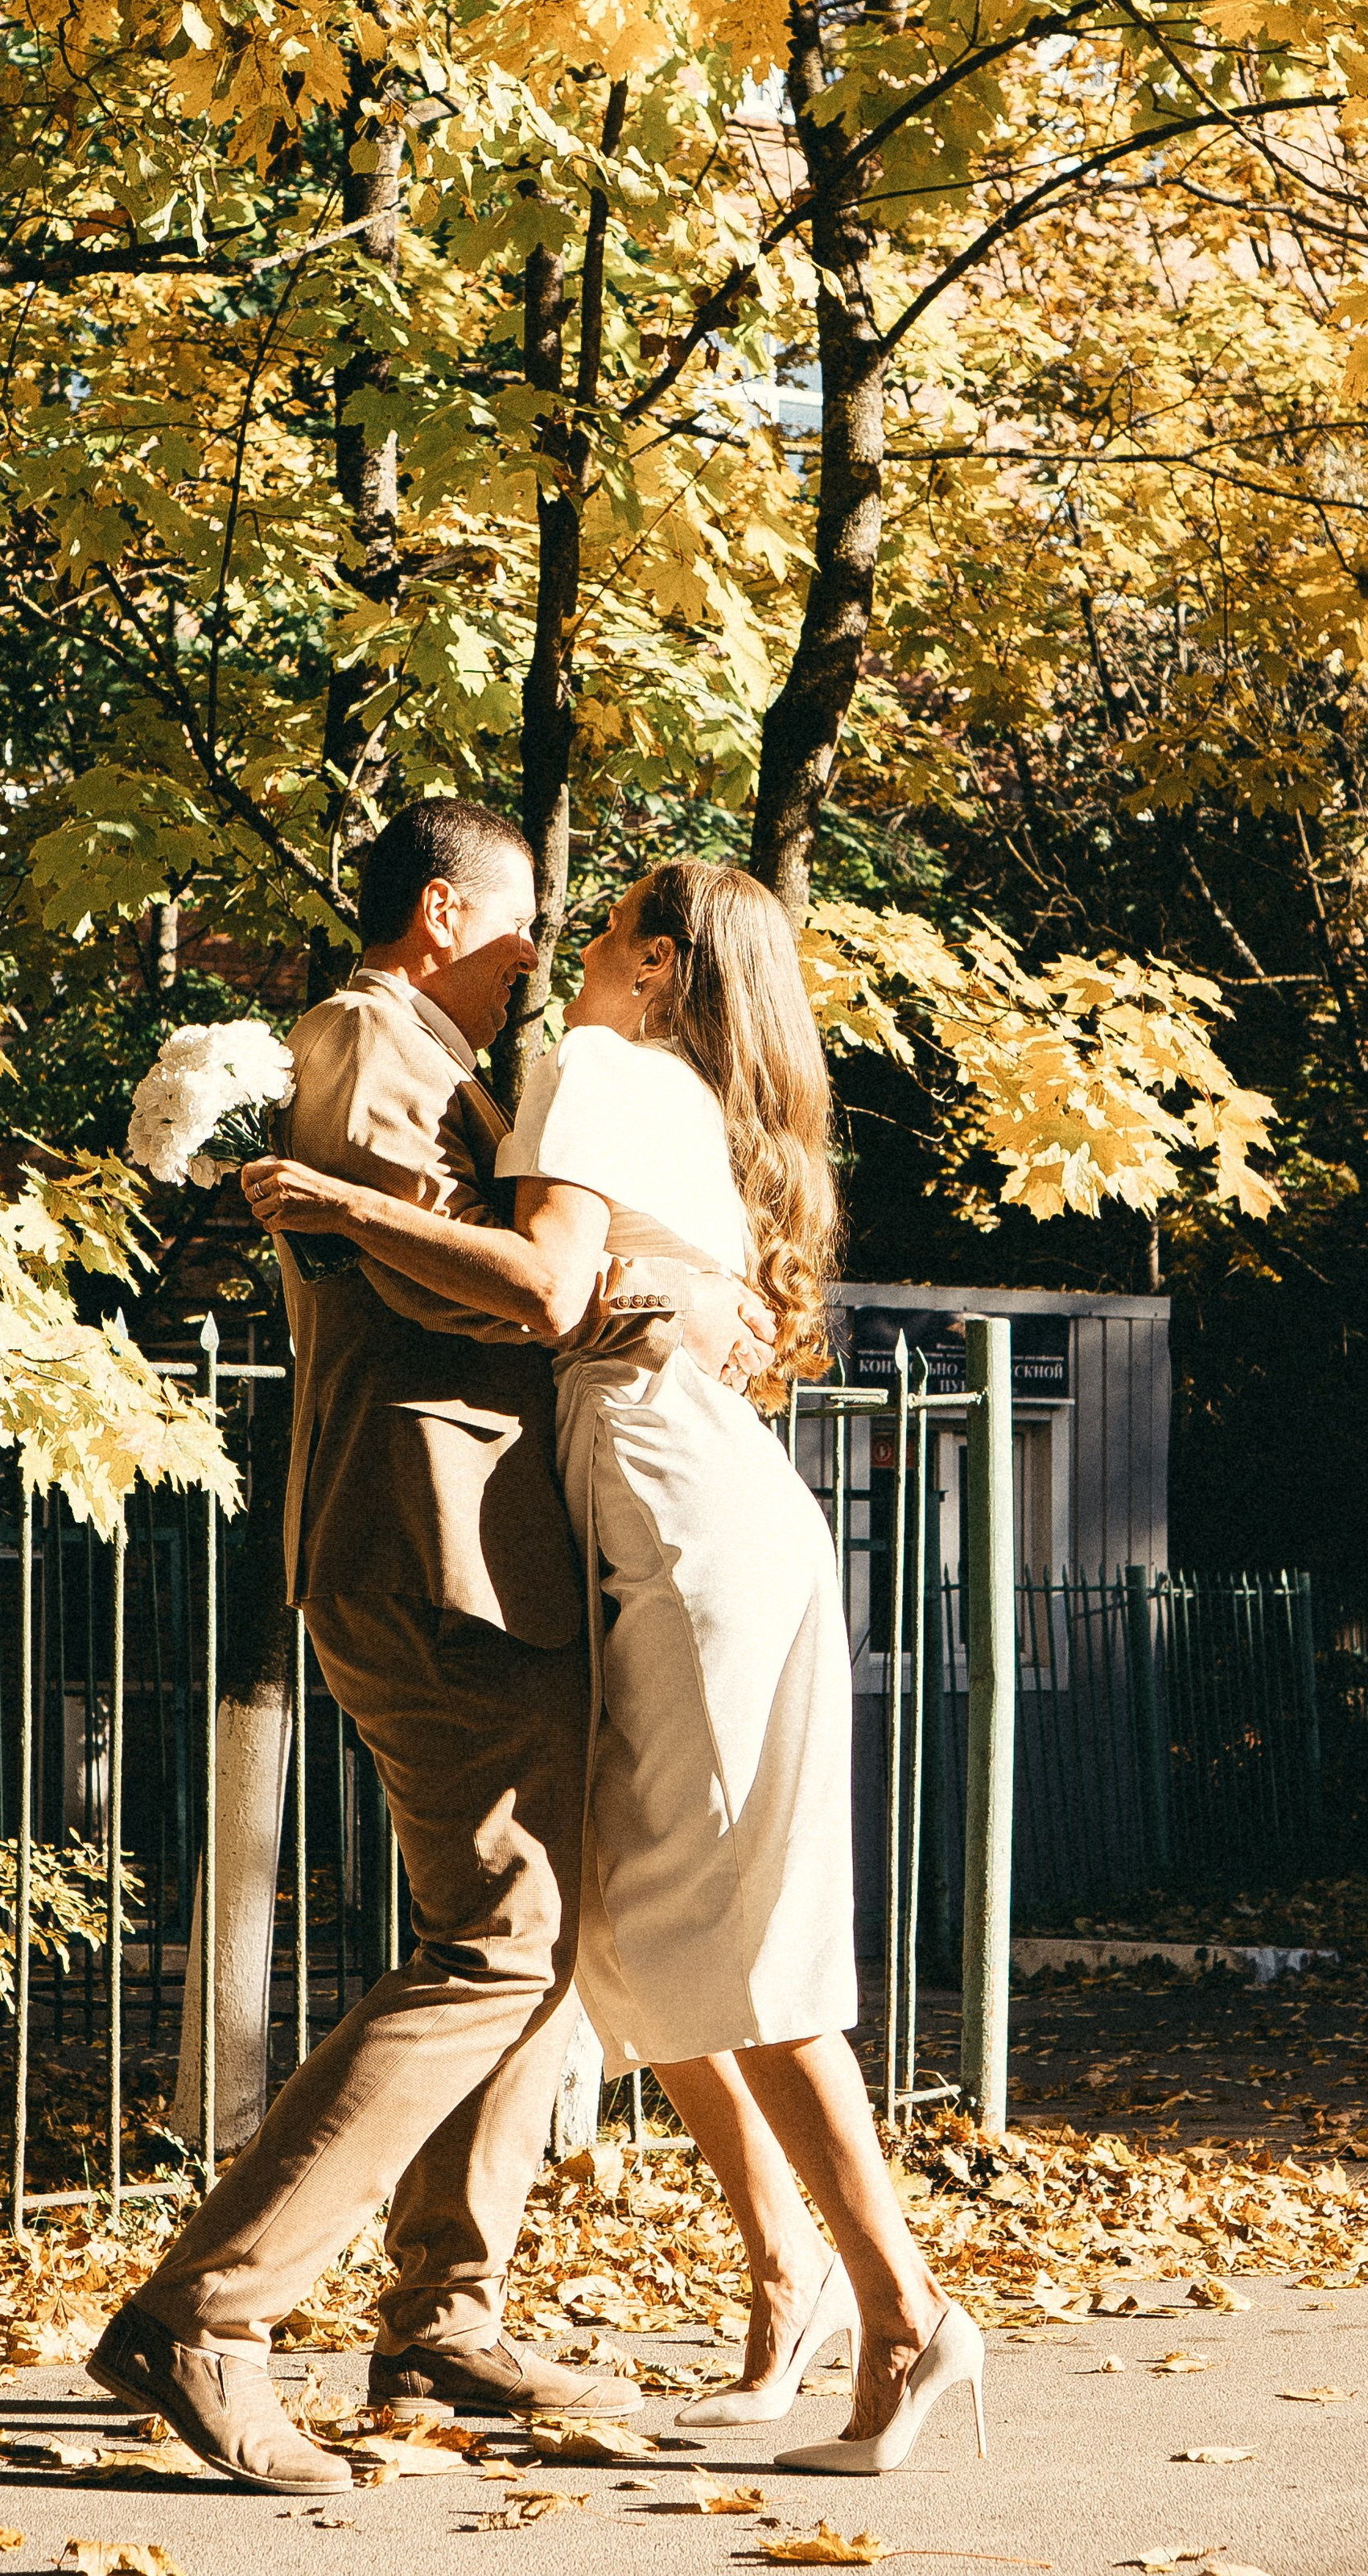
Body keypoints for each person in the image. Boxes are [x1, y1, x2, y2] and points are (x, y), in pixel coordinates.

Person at [239, 858, 985, 2476]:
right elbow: (621, 1299)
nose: (554, 957)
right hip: (685, 1527)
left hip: (684, 1540)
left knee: (733, 1941)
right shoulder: (679, 1097)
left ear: (651, 967)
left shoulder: (595, 1066)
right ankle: (800, 2294)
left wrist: (338, 1204)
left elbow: (550, 1287)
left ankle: (900, 2316)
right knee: (646, 1940)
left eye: (590, 936)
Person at [89, 803, 773, 2492]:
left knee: (539, 1939)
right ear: (442, 908)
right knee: (503, 1933)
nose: (539, 955)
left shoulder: (452, 1070)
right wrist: (634, 1301)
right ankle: (209, 2312)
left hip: (491, 1554)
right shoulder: (366, 1032)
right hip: (428, 1546)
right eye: (526, 919)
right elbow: (447, 1284)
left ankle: (440, 2319)